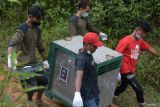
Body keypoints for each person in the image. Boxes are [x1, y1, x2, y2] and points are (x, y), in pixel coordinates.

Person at [7, 5, 49, 104]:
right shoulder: (22, 29)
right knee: (31, 87)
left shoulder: (37, 30)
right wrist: (10, 58)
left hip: (34, 62)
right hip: (23, 64)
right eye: (37, 18)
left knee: (44, 81)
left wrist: (45, 60)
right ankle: (29, 103)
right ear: (30, 16)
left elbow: (40, 46)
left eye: (40, 18)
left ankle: (38, 99)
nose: (39, 20)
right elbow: (11, 44)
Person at [112, 20, 160, 107]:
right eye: (143, 33)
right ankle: (142, 104)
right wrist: (117, 71)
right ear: (138, 29)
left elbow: (149, 48)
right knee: (138, 89)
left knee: (123, 86)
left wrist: (159, 55)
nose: (144, 35)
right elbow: (116, 55)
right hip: (124, 70)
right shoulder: (125, 41)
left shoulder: (140, 41)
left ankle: (112, 96)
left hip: (131, 69)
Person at [73, 32, 103, 107]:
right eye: (95, 46)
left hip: (94, 92)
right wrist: (77, 93)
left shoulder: (88, 53)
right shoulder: (81, 58)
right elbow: (78, 76)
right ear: (87, 45)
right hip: (87, 96)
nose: (97, 48)